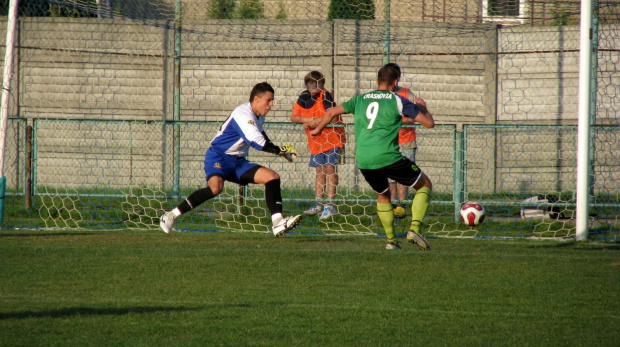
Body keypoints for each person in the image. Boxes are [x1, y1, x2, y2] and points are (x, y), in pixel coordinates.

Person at [310, 66, 435, 250]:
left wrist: (318, 129)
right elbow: (429, 123)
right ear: (395, 82)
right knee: (425, 184)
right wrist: (422, 107)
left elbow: (330, 113)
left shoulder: (360, 99)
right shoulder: (397, 99)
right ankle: (415, 228)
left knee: (383, 195)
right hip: (388, 157)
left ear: (377, 82)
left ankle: (391, 241)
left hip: (364, 159)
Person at [160, 82, 302, 237]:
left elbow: (261, 135)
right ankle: (170, 215)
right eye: (269, 100)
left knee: (272, 177)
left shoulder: (258, 116)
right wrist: (279, 151)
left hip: (238, 161)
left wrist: (280, 152)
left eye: (272, 101)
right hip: (219, 155)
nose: (271, 105)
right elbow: (256, 141)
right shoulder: (243, 114)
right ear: (257, 99)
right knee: (215, 188)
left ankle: (277, 222)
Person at [290, 71, 345, 220]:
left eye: (319, 82)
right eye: (312, 82)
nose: (316, 85)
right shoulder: (303, 97)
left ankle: (330, 205)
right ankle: (319, 205)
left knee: (330, 169)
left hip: (333, 138)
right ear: (306, 84)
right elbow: (293, 116)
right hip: (316, 141)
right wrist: (307, 120)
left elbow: (331, 115)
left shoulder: (326, 95)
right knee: (319, 172)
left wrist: (316, 123)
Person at [383, 63, 417, 219]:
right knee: (390, 176)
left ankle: (402, 205)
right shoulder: (383, 96)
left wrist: (397, 121)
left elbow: (414, 117)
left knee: (404, 175)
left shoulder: (406, 94)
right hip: (389, 141)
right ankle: (392, 203)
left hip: (406, 140)